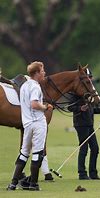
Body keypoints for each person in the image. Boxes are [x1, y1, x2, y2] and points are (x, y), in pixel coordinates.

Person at [7, 61, 53, 191]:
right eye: (42, 71)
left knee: (24, 153)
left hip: (27, 124)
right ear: (37, 73)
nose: (44, 73)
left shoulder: (24, 86)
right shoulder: (35, 86)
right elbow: (34, 104)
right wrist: (45, 107)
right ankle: (33, 184)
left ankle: (13, 183)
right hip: (38, 123)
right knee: (37, 153)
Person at [68, 69, 100, 180]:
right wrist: (80, 108)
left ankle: (93, 173)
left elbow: (92, 110)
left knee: (95, 148)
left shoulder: (89, 91)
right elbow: (69, 107)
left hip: (89, 123)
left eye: (90, 76)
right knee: (84, 148)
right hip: (80, 123)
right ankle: (82, 174)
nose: (90, 79)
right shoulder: (76, 91)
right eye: (88, 76)